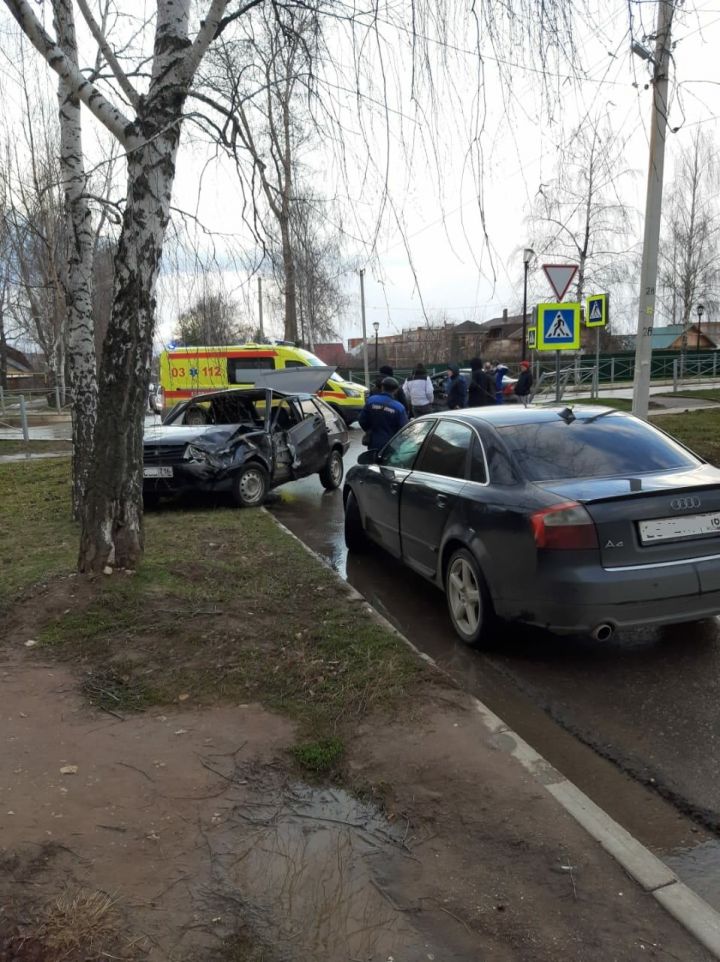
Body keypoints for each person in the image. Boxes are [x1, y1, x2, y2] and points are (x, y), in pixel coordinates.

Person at [358, 376, 408, 450]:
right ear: (396, 390)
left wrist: (369, 430)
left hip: (373, 442)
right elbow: (403, 429)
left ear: (382, 387)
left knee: (374, 460)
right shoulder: (399, 408)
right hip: (391, 445)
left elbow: (362, 420)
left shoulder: (371, 401)